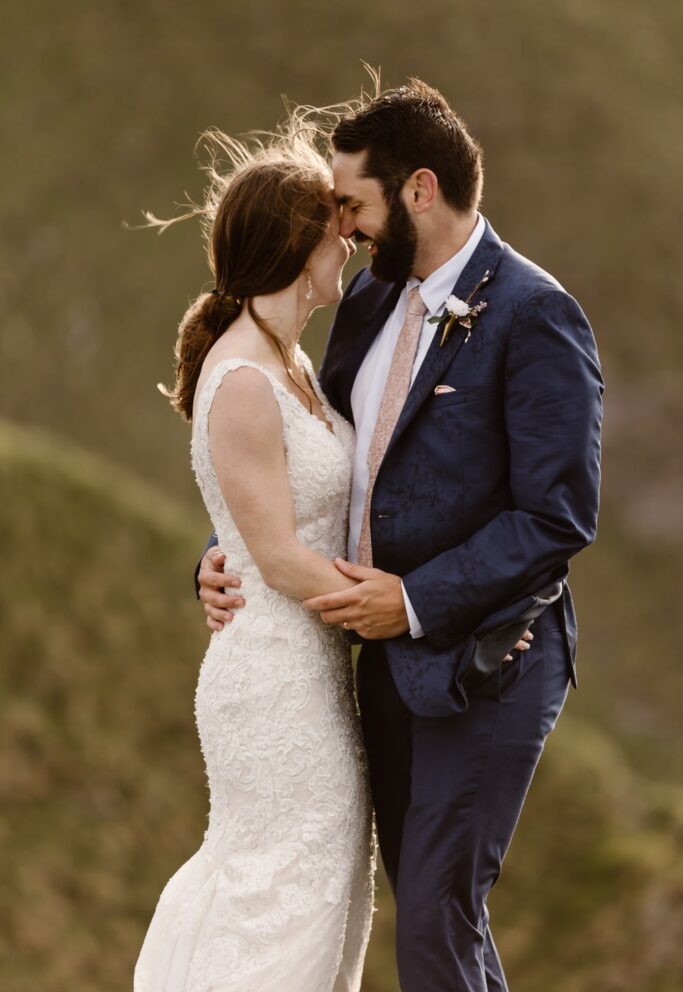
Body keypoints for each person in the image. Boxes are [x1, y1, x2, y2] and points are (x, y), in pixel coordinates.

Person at [198, 78, 603, 992]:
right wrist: (227, 556)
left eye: (355, 205)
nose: (345, 228)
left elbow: (558, 515)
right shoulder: (372, 305)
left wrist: (414, 600)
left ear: (420, 190)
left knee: (431, 915)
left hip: (490, 658)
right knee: (430, 916)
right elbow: (311, 470)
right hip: (379, 666)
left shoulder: (538, 315)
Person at [134, 124, 376, 992]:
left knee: (319, 902)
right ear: (294, 244)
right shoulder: (241, 379)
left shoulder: (292, 362)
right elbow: (273, 556)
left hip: (312, 672)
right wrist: (408, 608)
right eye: (332, 226)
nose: (347, 239)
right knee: (276, 907)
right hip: (274, 686)